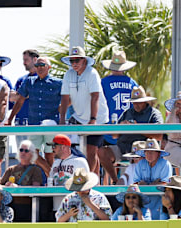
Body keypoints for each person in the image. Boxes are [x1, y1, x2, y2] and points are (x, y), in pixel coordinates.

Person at [8, 56, 63, 173]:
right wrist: (10, 119)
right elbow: (20, 100)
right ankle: (52, 176)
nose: (39, 68)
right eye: (37, 65)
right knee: (33, 154)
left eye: (42, 65)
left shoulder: (58, 83)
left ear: (49, 67)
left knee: (50, 155)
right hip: (34, 123)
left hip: (51, 123)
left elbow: (68, 100)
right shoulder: (29, 81)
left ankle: (50, 182)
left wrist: (61, 115)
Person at [59, 46, 107, 175]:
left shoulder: (92, 73)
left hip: (98, 118)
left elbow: (95, 96)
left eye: (77, 60)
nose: (74, 63)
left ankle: (86, 181)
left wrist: (93, 119)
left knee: (91, 150)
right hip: (78, 118)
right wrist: (62, 120)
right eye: (72, 61)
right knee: (82, 151)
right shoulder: (68, 75)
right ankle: (94, 181)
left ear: (84, 60)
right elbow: (64, 98)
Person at [96, 50, 138, 184]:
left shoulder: (103, 83)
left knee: (102, 156)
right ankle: (126, 183)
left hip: (108, 130)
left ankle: (113, 182)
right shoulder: (132, 84)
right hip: (128, 132)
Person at [46, 134, 90, 220]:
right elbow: (50, 182)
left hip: (75, 207)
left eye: (54, 146)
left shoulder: (79, 161)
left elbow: (85, 185)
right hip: (57, 207)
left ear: (63, 147)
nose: (52, 149)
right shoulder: (56, 163)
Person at [0, 139, 46, 222]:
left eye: (26, 150)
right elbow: (0, 187)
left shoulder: (36, 170)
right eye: (21, 150)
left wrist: (18, 188)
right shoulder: (11, 169)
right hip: (10, 206)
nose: (23, 152)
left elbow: (36, 188)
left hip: (28, 207)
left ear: (32, 154)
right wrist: (6, 186)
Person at [131, 139, 173, 219]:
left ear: (158, 153)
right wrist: (156, 183)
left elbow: (165, 184)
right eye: (147, 152)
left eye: (152, 152)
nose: (149, 154)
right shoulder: (140, 164)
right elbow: (136, 183)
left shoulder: (165, 164)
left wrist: (145, 184)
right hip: (143, 199)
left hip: (160, 199)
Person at [116, 86, 163, 157]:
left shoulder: (154, 113)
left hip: (144, 150)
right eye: (134, 102)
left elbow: (159, 135)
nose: (136, 105)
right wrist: (121, 126)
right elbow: (114, 135)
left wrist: (137, 128)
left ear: (144, 101)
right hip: (123, 148)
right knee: (103, 152)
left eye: (139, 102)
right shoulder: (127, 113)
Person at [10, 49, 40, 126]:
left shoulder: (42, 78)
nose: (24, 63)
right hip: (20, 123)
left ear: (35, 60)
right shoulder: (21, 79)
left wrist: (20, 94)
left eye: (26, 60)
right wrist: (26, 94)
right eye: (23, 60)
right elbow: (11, 97)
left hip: (37, 123)